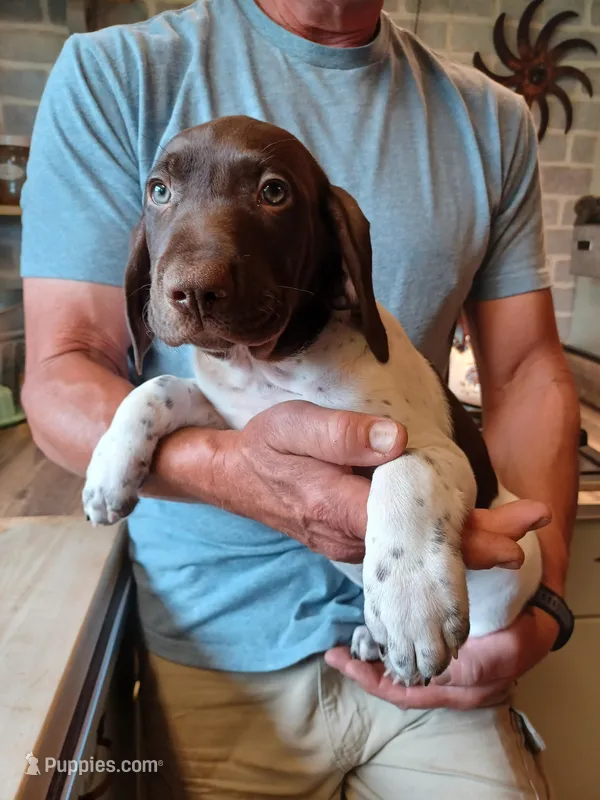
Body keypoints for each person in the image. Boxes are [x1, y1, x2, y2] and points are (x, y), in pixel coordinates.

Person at [20, 0, 579, 797]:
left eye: (273, 194)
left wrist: (545, 597)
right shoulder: (115, 72)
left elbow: (526, 372)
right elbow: (63, 364)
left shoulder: (491, 119)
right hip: (220, 655)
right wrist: (237, 473)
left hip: (446, 640)